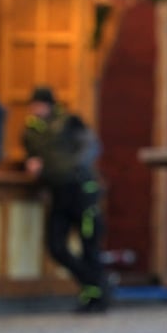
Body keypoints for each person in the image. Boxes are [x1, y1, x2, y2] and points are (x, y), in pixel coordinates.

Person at [23, 86, 108, 313]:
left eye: (39, 104)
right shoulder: (31, 131)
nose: (35, 109)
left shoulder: (69, 121)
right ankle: (95, 283)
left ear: (48, 104)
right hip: (58, 192)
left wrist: (72, 169)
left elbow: (91, 146)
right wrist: (34, 164)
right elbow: (33, 156)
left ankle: (96, 296)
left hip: (82, 191)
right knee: (56, 246)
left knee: (89, 244)